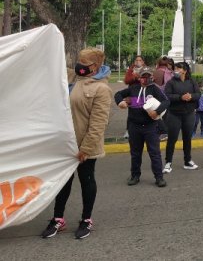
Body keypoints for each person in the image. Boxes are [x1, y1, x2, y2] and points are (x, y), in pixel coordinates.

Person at [41, 48, 113, 239]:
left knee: (86, 180)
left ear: (95, 66)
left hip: (84, 146)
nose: (79, 65)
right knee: (63, 182)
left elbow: (98, 123)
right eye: (79, 61)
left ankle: (86, 219)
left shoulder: (102, 89)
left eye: (84, 62)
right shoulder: (73, 78)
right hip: (66, 144)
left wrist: (86, 149)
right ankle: (58, 218)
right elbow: (53, 68)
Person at [115, 66, 169, 186]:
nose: (145, 78)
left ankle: (159, 177)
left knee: (154, 153)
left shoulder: (155, 89)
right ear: (139, 78)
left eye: (148, 76)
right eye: (143, 76)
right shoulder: (133, 88)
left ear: (152, 77)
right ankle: (135, 176)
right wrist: (120, 102)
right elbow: (118, 94)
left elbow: (166, 101)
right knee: (135, 153)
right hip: (134, 126)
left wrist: (157, 111)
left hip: (150, 127)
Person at [163, 62, 202, 173]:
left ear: (185, 70)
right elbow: (167, 95)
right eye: (175, 68)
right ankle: (168, 162)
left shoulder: (192, 81)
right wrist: (181, 97)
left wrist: (191, 96)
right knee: (172, 139)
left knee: (187, 138)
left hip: (189, 114)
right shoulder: (171, 83)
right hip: (174, 114)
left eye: (179, 68)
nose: (176, 70)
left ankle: (187, 161)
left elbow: (198, 94)